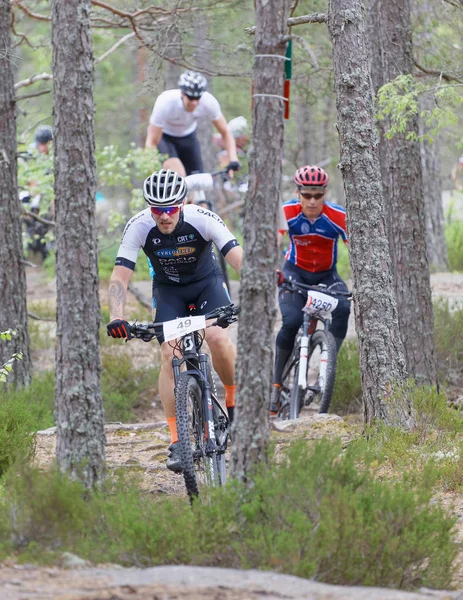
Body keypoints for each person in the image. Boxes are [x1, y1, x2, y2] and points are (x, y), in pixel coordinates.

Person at [107, 169, 243, 472]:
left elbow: (235, 255)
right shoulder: (139, 226)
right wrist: (117, 315)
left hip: (206, 284)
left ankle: (233, 400)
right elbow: (120, 276)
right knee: (169, 353)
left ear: (181, 203)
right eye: (157, 209)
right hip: (169, 291)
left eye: (170, 209)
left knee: (218, 338)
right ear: (149, 208)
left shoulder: (201, 217)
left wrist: (256, 288)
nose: (164, 216)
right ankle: (177, 441)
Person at [270, 165, 351, 414]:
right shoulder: (288, 211)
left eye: (318, 195)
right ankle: (276, 385)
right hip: (295, 272)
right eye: (307, 195)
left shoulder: (337, 215)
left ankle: (328, 368)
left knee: (344, 308)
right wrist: (273, 268)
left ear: (325, 193)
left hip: (327, 275)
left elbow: (356, 247)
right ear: (298, 192)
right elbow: (275, 238)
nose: (312, 201)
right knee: (291, 320)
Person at [145, 70, 240, 177]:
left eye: (198, 97)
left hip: (188, 137)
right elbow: (152, 141)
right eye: (190, 97)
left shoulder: (208, 102)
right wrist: (152, 169)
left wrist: (233, 160)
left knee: (197, 180)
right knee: (178, 174)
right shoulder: (166, 102)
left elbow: (225, 132)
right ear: (182, 93)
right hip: (165, 139)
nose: (194, 102)